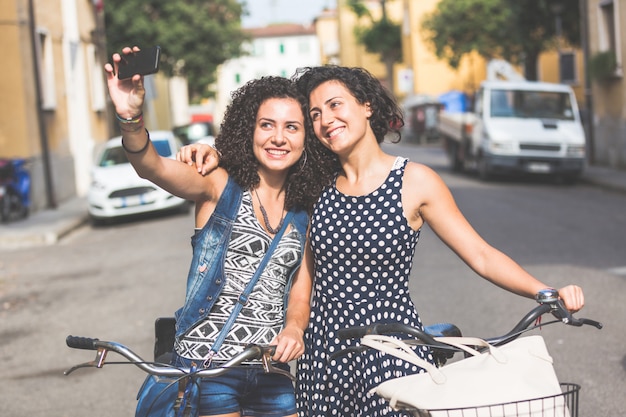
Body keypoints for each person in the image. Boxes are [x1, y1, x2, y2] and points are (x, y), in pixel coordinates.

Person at [179, 65, 585, 417]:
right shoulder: (314, 185)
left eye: (335, 105)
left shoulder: (415, 180)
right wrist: (212, 153)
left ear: (366, 106)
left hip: (394, 347)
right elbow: (301, 269)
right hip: (325, 352)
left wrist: (543, 291)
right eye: (315, 114)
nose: (325, 120)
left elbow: (479, 253)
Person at [104, 46, 336, 417]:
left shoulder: (305, 208)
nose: (279, 137)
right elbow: (152, 167)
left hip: (269, 367)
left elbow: (300, 293)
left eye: (291, 127)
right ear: (250, 130)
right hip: (208, 368)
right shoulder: (218, 184)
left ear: (305, 138)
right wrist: (130, 117)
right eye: (267, 125)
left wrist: (294, 329)